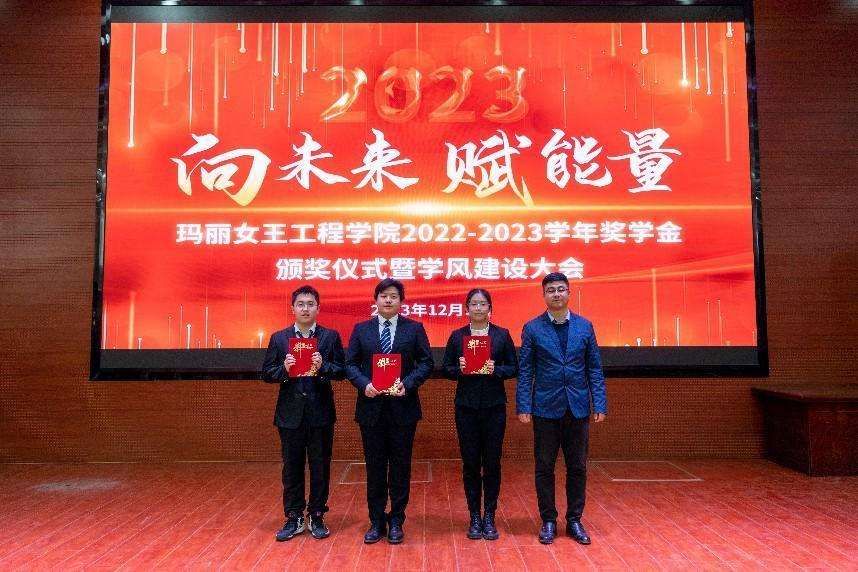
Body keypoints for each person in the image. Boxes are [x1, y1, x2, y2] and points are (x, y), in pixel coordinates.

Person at [516, 272, 607, 545]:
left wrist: (599, 402)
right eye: (551, 290)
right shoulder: (532, 328)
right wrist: (524, 405)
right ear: (544, 295)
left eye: (561, 289)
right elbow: (526, 371)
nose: (556, 294)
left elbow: (594, 368)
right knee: (544, 467)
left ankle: (574, 520)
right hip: (545, 408)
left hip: (577, 408)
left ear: (569, 293)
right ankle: (548, 520)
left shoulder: (585, 326)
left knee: (577, 466)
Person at [346, 278, 434, 544]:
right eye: (383, 295)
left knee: (400, 467)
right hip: (371, 409)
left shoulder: (414, 329)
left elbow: (426, 363)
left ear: (401, 301)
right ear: (376, 300)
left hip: (402, 409)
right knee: (374, 468)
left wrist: (407, 384)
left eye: (394, 296)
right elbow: (350, 364)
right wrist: (365, 384)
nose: (388, 300)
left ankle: (396, 520)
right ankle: (376, 521)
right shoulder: (361, 329)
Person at [261, 285, 345, 542]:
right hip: (290, 415)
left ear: (318, 308)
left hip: (320, 413)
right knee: (292, 467)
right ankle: (294, 516)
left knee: (320, 467)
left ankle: (316, 514)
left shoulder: (330, 337)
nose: (305, 308)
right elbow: (267, 373)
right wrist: (284, 370)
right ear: (293, 308)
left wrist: (323, 366)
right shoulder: (279, 338)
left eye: (310, 304)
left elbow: (342, 371)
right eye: (301, 304)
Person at [442, 288, 518, 541]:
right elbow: (446, 369)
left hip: (494, 407)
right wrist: (460, 368)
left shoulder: (501, 335)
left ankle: (490, 515)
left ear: (490, 309)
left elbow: (513, 367)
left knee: (492, 463)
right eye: (473, 304)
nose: (478, 308)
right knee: (471, 463)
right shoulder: (457, 336)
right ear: (466, 309)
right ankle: (474, 515)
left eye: (482, 304)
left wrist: (496, 369)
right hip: (466, 408)